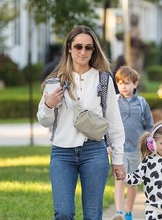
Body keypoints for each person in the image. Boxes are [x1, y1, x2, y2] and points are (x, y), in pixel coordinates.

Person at [36, 25, 126, 220]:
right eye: (78, 47)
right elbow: (44, 120)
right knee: (64, 213)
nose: (83, 52)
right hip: (62, 152)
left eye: (88, 47)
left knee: (93, 215)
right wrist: (49, 105)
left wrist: (118, 160)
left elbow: (114, 121)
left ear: (94, 50)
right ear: (69, 48)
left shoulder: (103, 79)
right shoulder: (56, 80)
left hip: (94, 151)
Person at [111, 66, 154, 220]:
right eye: (121, 83)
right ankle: (119, 212)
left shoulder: (142, 103)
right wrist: (109, 144)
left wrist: (149, 145)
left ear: (135, 84)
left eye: (128, 83)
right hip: (119, 150)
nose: (124, 86)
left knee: (132, 183)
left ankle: (128, 212)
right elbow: (108, 125)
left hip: (137, 151)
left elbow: (150, 126)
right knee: (119, 180)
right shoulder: (114, 102)